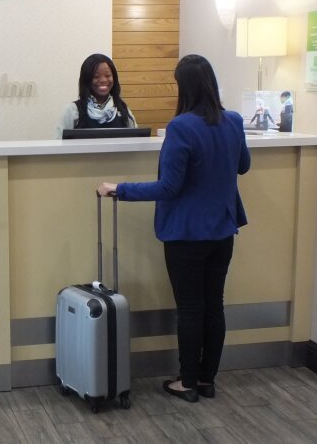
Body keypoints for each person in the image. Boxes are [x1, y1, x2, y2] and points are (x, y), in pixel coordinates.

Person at [97, 54, 251, 403]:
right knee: (214, 306)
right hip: (223, 231)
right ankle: (207, 381)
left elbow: (168, 187)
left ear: (184, 87)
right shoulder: (233, 121)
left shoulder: (181, 127)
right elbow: (243, 165)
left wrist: (119, 189)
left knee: (191, 308)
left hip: (186, 234)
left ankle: (188, 382)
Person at [56, 53, 137, 138]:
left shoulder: (123, 109)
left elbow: (136, 141)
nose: (103, 80)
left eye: (108, 75)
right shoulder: (73, 110)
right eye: (96, 76)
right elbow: (58, 142)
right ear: (86, 79)